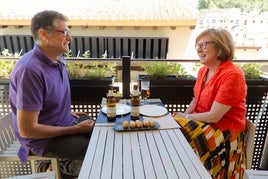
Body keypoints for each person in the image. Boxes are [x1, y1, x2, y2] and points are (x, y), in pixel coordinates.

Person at [9, 10, 95, 177]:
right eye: (63, 33)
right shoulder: (30, 70)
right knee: (96, 156)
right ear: (43, 34)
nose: (69, 38)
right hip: (42, 140)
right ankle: (50, 168)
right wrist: (73, 130)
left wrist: (65, 114)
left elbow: (47, 100)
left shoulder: (58, 59)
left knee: (100, 134)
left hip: (62, 123)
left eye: (69, 33)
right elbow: (27, 130)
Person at [173, 28, 247, 178]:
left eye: (204, 44)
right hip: (203, 124)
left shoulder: (232, 75)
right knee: (172, 127)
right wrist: (183, 115)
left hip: (224, 131)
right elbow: (196, 100)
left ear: (220, 47)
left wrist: (186, 118)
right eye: (197, 45)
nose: (199, 49)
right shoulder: (203, 71)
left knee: (181, 134)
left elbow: (214, 117)